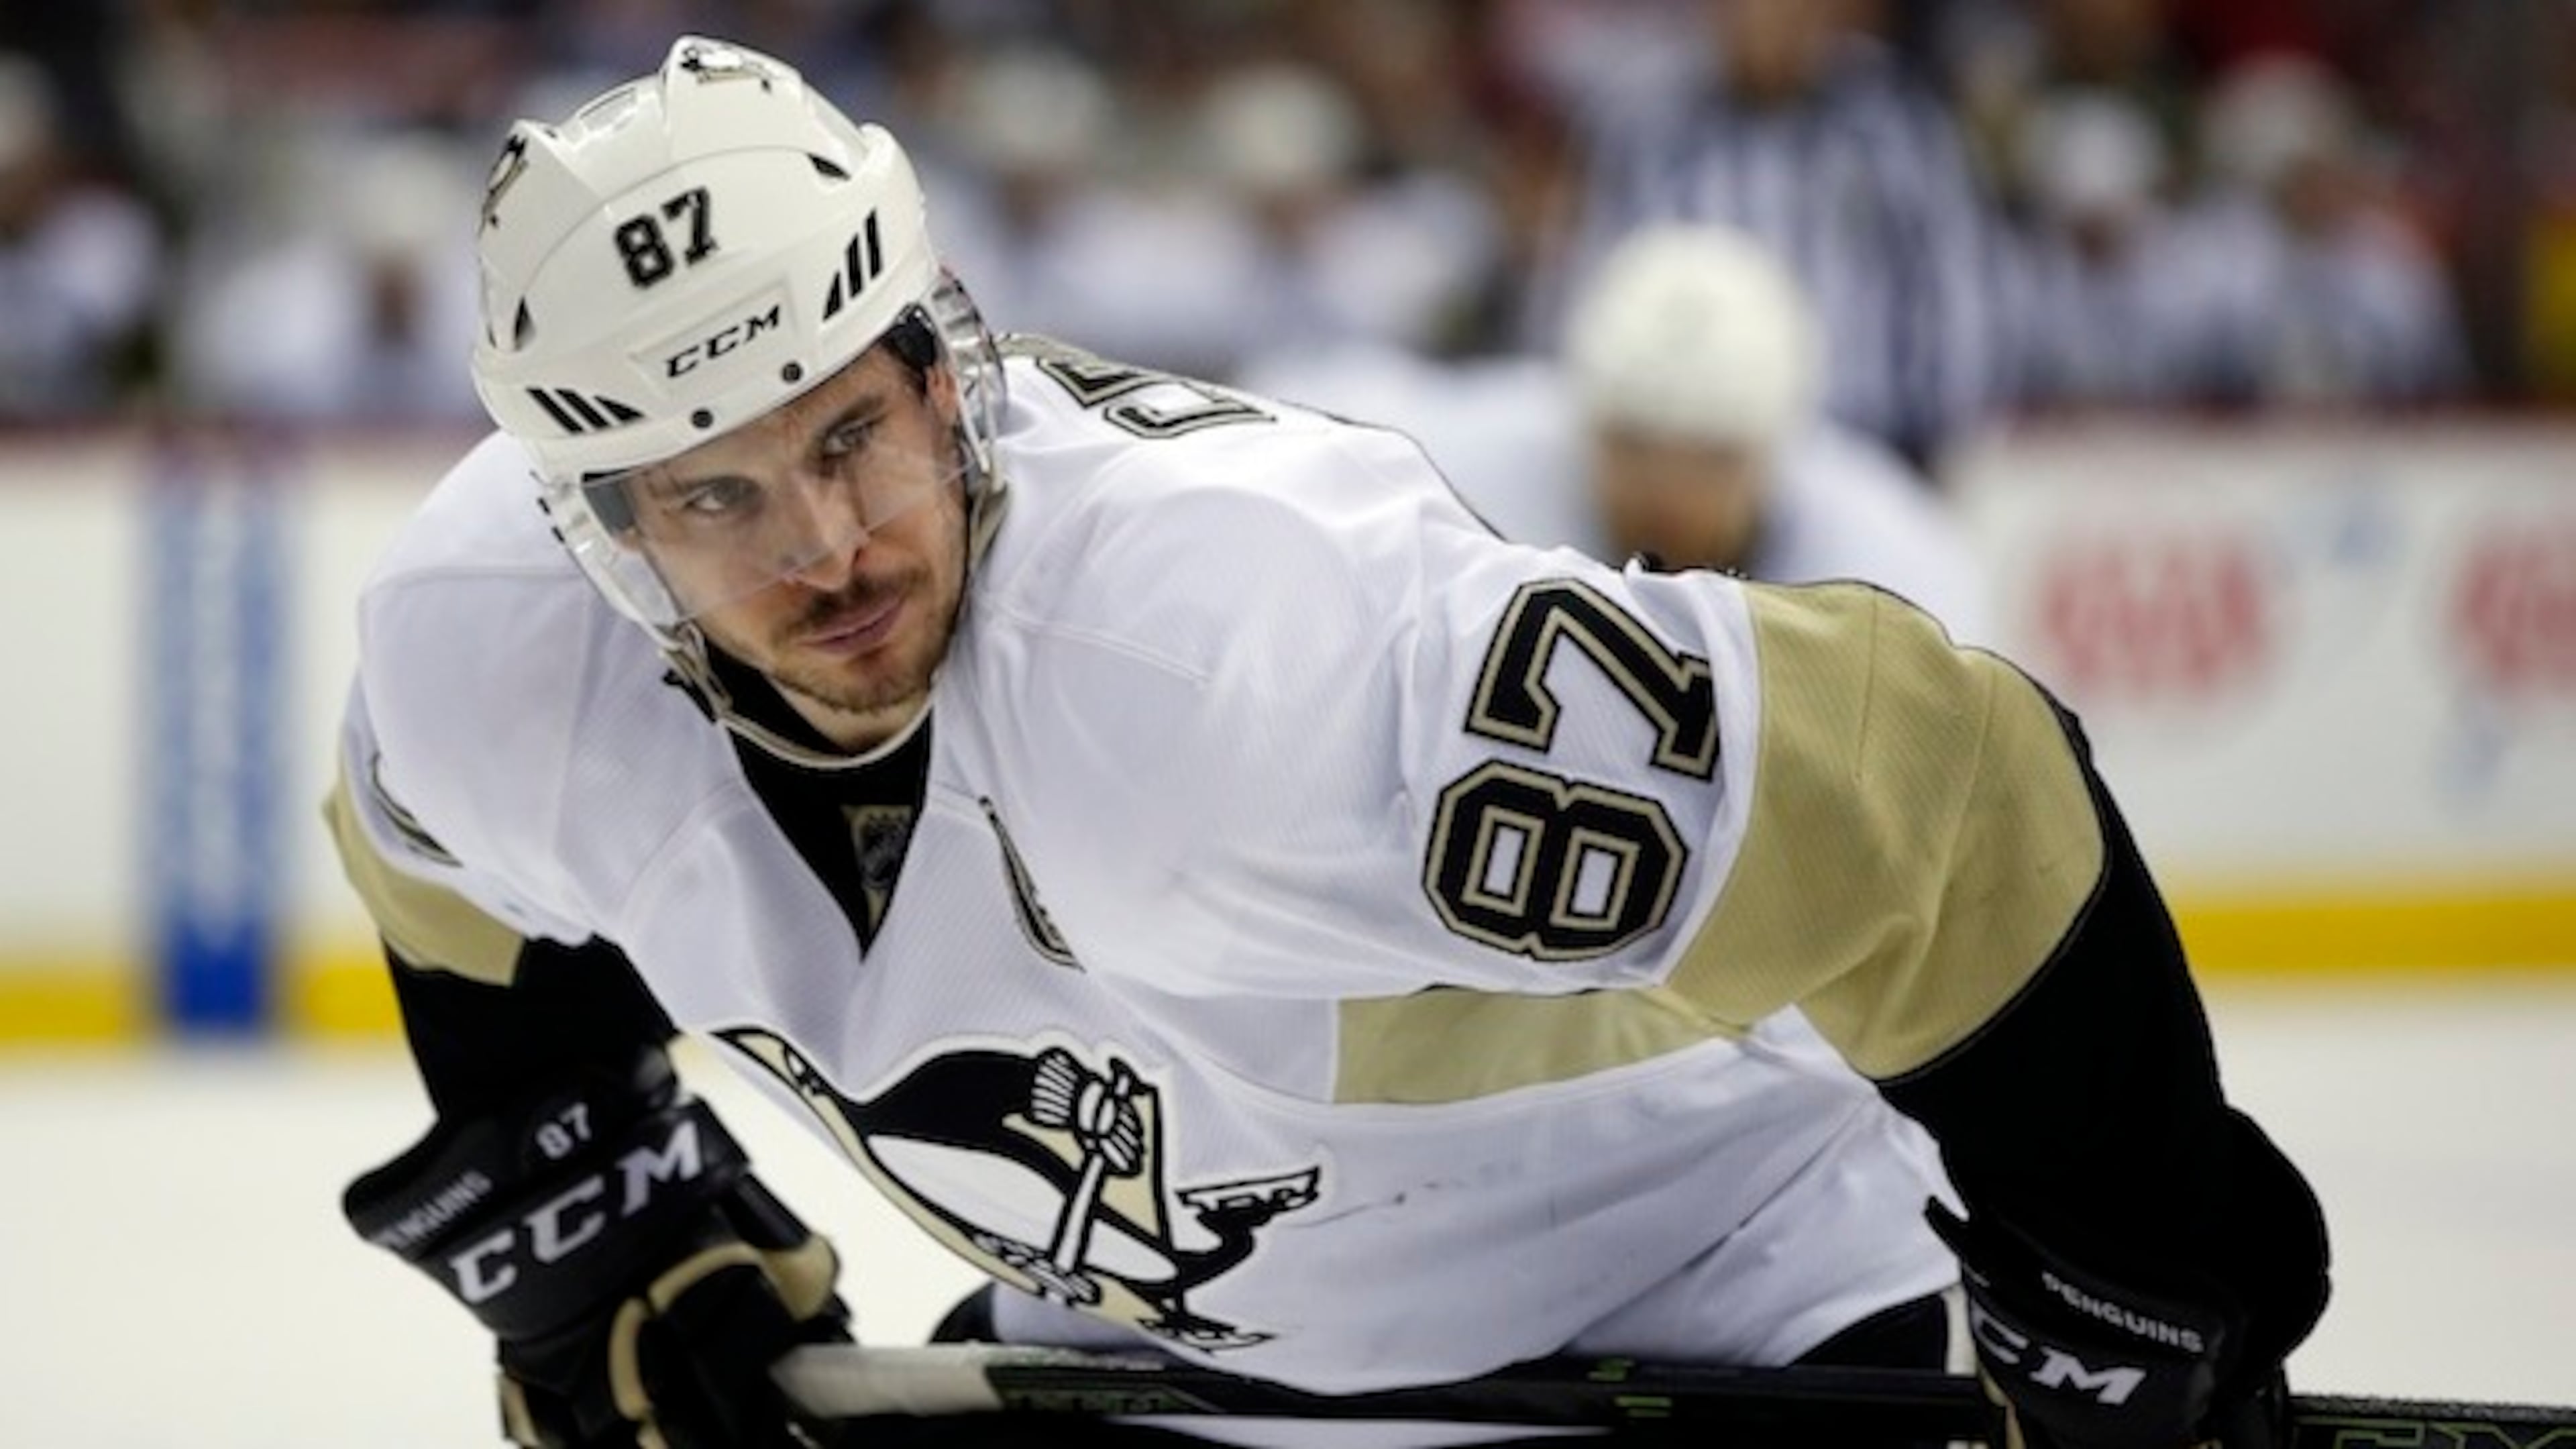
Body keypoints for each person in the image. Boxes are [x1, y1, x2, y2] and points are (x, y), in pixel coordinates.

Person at [327, 38, 2328, 1449]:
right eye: (718, 499)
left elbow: (1941, 790)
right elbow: (440, 873)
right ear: (598, 536)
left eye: (849, 433)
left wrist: (2130, 1269)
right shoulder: (487, 647)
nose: (829, 549)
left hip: (1710, 1294)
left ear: (943, 369)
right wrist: (613, 1238)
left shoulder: (1224, 653)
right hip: (1156, 1352)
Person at [1248, 222, 1990, 647]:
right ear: (1586, 420)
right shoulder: (1499, 448)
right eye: (1635, 444)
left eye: (1708, 457)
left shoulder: (1885, 568)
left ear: (1773, 450)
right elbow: (1288, 407)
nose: (1667, 488)